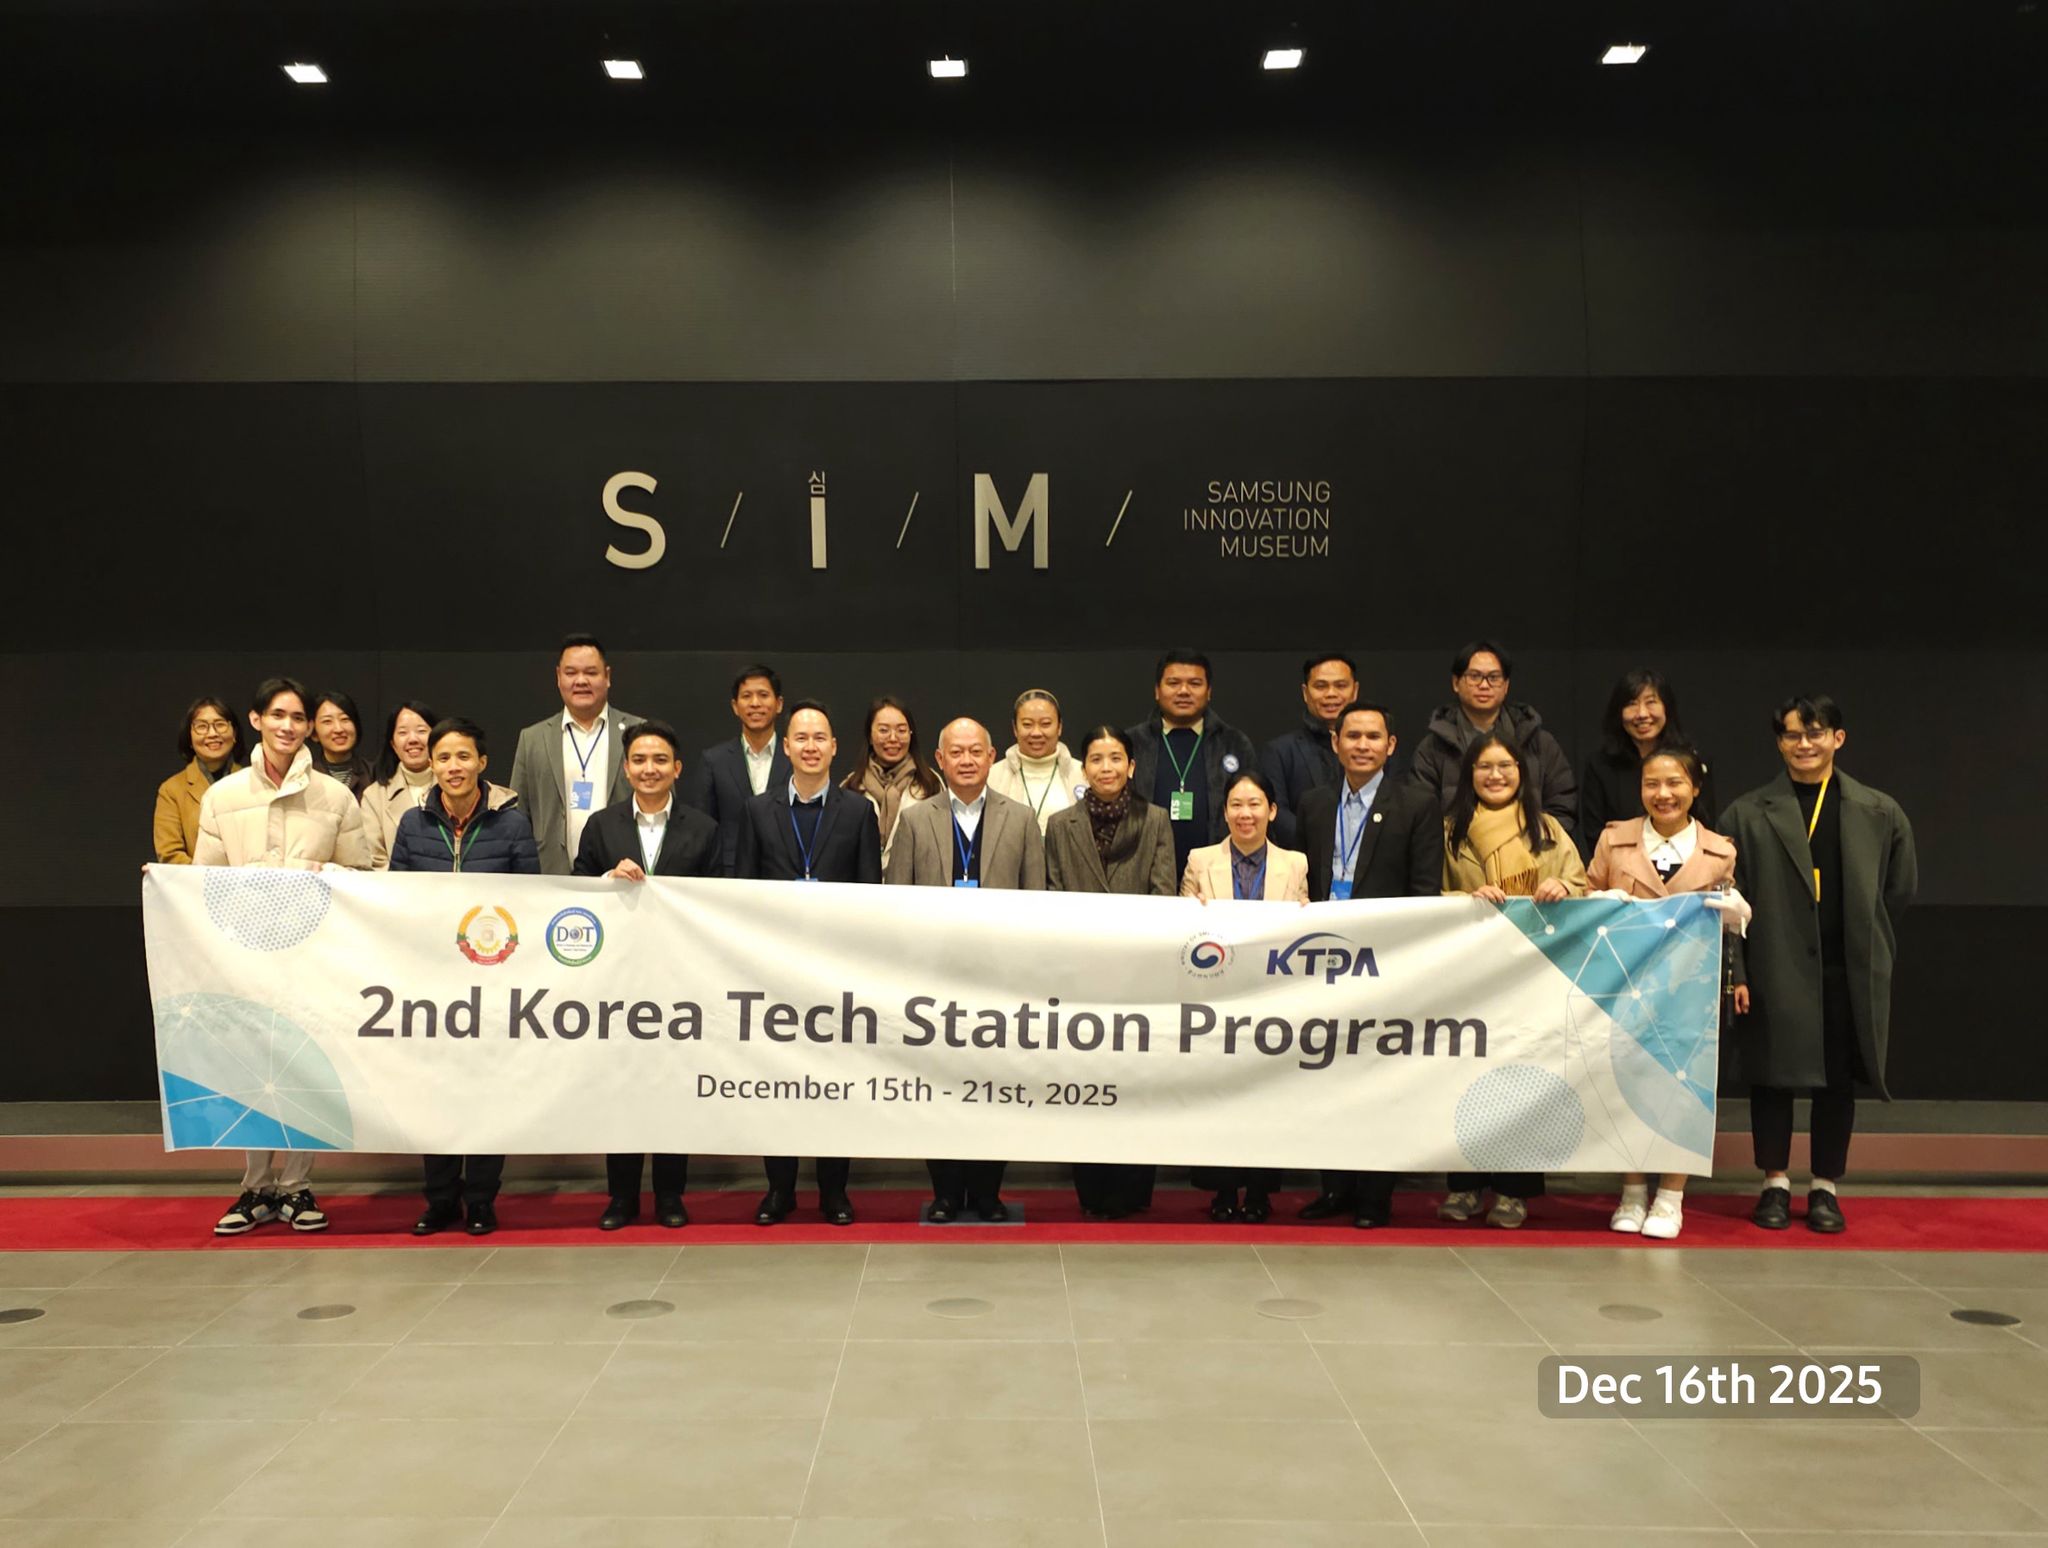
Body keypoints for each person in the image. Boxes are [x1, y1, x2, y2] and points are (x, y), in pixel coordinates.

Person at [1722, 695, 1916, 1235]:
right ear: (1779, 742)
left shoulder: (1878, 811)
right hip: (1775, 962)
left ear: (1838, 738)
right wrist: (1740, 972)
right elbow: (1728, 900)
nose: (1804, 744)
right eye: (1792, 734)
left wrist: (1865, 938)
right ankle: (1775, 1183)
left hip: (1844, 968)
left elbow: (1898, 889)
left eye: (1815, 733)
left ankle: (1825, 1187)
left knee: (1837, 1082)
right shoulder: (1746, 813)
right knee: (1771, 1078)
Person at [194, 676, 371, 1236]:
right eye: (277, 715)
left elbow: (363, 875)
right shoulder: (223, 797)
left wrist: (323, 871)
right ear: (256, 720)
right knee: (250, 1069)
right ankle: (254, 1187)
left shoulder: (335, 798)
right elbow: (202, 882)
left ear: (309, 727)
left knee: (302, 1066)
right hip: (243, 954)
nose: (287, 726)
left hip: (311, 954)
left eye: (298, 718)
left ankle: (295, 1185)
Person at [1586, 741, 1749, 1240]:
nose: (1663, 793)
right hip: (1624, 987)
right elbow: (1585, 900)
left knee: (1684, 1091)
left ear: (1695, 788)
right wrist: (1600, 900)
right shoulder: (1614, 841)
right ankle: (1632, 1191)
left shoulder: (1720, 850)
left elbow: (1732, 923)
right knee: (1624, 1086)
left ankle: (1671, 1197)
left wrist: (1736, 915)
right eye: (1651, 784)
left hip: (1689, 994)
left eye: (1675, 782)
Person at [887, 717, 1046, 1222]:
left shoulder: (1021, 820)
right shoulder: (916, 820)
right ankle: (945, 1194)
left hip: (1000, 981)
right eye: (956, 752)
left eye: (976, 751)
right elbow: (896, 905)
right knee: (939, 1089)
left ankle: (988, 1194)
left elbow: (1036, 903)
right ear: (939, 760)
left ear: (992, 756)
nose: (967, 760)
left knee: (995, 1088)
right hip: (934, 981)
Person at [389, 718, 540, 1237]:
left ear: (482, 763)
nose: (454, 767)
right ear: (431, 765)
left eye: (463, 756)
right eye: (444, 757)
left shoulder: (512, 825)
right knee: (434, 1093)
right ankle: (440, 1200)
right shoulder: (412, 824)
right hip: (431, 987)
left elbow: (531, 901)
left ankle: (480, 1200)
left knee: (487, 1092)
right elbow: (396, 901)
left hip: (494, 982)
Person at [1293, 703, 1441, 1228]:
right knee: (1326, 1077)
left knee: (1380, 1083)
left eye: (1373, 736)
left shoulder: (1417, 803)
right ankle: (1335, 1188)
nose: (1362, 745)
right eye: (1352, 735)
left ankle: (1376, 1197)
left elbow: (1425, 891)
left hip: (1385, 965)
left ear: (1390, 745)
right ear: (1335, 743)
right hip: (1322, 962)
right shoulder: (1313, 804)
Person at [737, 701, 881, 1227]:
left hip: (836, 972)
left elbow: (870, 893)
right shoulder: (758, 810)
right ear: (787, 747)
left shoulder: (858, 812)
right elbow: (744, 891)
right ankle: (779, 1190)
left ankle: (834, 1192)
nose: (811, 746)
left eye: (820, 737)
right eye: (801, 738)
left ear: (835, 747)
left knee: (834, 1084)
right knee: (777, 1083)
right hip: (775, 972)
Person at [573, 720, 720, 1231]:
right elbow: (576, 889)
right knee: (623, 1087)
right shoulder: (601, 825)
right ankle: (621, 1197)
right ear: (626, 768)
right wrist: (606, 880)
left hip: (681, 980)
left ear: (677, 768)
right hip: (619, 979)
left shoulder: (704, 828)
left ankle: (670, 1196)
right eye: (639, 760)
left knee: (674, 1087)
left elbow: (720, 898)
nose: (649, 769)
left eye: (659, 760)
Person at [1437, 731, 1587, 1228]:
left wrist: (1562, 885)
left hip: (1532, 974)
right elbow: (1429, 894)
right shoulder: (1450, 832)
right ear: (1469, 775)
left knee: (1522, 1081)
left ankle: (1513, 1193)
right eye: (1484, 767)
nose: (1496, 775)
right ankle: (1464, 1187)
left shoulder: (1547, 829)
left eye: (1506, 766)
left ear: (1522, 773)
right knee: (1465, 1078)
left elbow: (1583, 884)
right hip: (1470, 975)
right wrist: (1466, 899)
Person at [1044, 724, 1176, 1218]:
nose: (1107, 768)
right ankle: (1092, 1191)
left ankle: (1134, 1191)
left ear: (1132, 766)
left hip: (1138, 979)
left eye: (1116, 758)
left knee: (1136, 1086)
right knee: (1086, 1086)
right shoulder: (1061, 825)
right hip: (1080, 978)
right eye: (1097, 759)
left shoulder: (1155, 820)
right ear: (1084, 768)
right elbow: (1053, 895)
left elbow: (1164, 894)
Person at [1180, 769, 1308, 1223]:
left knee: (1265, 1097)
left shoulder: (1296, 863)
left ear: (1272, 811)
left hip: (1273, 1002)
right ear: (1225, 812)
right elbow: (1181, 930)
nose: (1245, 813)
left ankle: (1258, 1191)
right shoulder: (1200, 860)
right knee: (1218, 1096)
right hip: (1215, 1002)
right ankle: (1222, 1189)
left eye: (1255, 804)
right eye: (1236, 804)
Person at [507, 633, 643, 874]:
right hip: (551, 874)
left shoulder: (640, 733)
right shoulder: (533, 738)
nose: (581, 681)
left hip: (625, 874)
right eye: (571, 673)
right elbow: (517, 816)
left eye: (591, 673)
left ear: (607, 677)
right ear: (558, 677)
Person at [1412, 639, 1578, 830]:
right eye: (1474, 676)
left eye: (1494, 677)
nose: (1484, 685)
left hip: (1530, 846)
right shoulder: (1433, 748)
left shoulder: (1539, 742)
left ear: (1506, 685)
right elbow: (1421, 815)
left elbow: (1563, 805)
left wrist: (1532, 840)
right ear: (1456, 683)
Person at [1125, 649, 1259, 882]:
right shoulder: (1132, 743)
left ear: (1209, 692)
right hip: (1144, 874)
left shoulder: (1234, 743)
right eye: (1173, 683)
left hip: (1219, 875)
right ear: (1157, 691)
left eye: (1195, 684)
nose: (1184, 691)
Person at [1577, 669, 1719, 856]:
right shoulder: (1600, 765)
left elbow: (1705, 826)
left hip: (1688, 865)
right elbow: (1595, 835)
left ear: (1666, 707)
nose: (1642, 714)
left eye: (1651, 702)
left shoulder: (1692, 760)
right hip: (1620, 867)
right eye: (1631, 704)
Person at [683, 664, 792, 877]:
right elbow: (703, 828)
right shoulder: (714, 760)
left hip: (784, 874)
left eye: (763, 695)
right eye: (746, 696)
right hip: (729, 875)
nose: (755, 703)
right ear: (735, 706)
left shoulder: (794, 757)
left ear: (779, 704)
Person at [1259, 652, 1358, 848]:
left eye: (1340, 685)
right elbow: (1276, 812)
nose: (1331, 694)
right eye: (1321, 686)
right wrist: (1323, 845)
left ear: (1355, 691)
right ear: (1305, 693)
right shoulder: (1280, 751)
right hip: (1302, 859)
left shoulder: (1377, 751)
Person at [842, 695, 943, 872]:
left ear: (911, 734)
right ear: (870, 736)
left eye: (901, 730)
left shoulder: (930, 783)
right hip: (862, 885)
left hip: (914, 883)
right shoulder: (850, 786)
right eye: (883, 730)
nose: (893, 738)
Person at [153, 695, 243, 864]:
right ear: (189, 738)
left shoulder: (255, 782)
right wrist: (210, 877)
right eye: (201, 727)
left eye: (220, 724)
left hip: (249, 880)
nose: (212, 733)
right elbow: (170, 853)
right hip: (195, 881)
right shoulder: (171, 790)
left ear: (234, 733)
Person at [986, 689, 1083, 836]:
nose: (1036, 733)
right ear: (1015, 728)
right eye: (1027, 724)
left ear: (1059, 727)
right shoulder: (992, 776)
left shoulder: (1082, 773)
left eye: (1045, 724)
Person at [358, 700, 441, 870]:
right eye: (403, 732)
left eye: (421, 731)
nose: (413, 739)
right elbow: (374, 861)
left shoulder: (455, 787)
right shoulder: (374, 796)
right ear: (393, 745)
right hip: (394, 885)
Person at [308, 691, 376, 796]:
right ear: (313, 733)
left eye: (345, 719)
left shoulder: (375, 774)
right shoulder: (306, 777)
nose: (339, 729)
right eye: (327, 721)